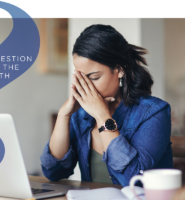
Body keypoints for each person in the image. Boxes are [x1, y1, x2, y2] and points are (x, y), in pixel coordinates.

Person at [40, 24, 173, 187]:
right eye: (81, 78)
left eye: (94, 77)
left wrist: (102, 116)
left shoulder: (154, 112)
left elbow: (132, 180)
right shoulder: (81, 115)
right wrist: (64, 115)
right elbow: (53, 172)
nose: (87, 86)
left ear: (120, 70)